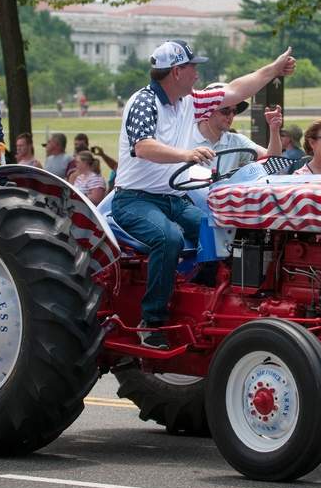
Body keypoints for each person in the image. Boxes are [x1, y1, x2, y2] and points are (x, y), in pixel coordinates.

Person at [112, 38, 296, 349]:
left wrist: (274, 69)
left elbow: (238, 89)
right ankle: (152, 321)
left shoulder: (191, 101)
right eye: (192, 67)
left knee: (218, 229)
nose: (197, 73)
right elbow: (142, 146)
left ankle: (205, 297)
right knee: (167, 237)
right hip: (134, 200)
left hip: (172, 199)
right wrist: (186, 155)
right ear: (176, 72)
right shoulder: (143, 102)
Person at [192, 83, 283, 174]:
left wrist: (274, 129)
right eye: (226, 111)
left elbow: (272, 160)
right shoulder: (184, 136)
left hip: (224, 189)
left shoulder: (236, 141)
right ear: (207, 110)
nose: (231, 116)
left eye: (234, 111)